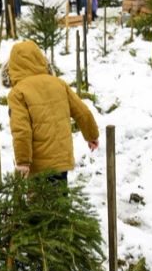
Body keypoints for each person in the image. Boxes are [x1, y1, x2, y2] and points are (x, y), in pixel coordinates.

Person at [7, 40, 99, 184]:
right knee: (60, 199)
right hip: (62, 157)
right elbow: (82, 111)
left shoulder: (18, 92)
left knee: (39, 203)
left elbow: (21, 130)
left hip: (38, 164)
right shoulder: (59, 83)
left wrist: (23, 161)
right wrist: (91, 135)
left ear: (13, 66)